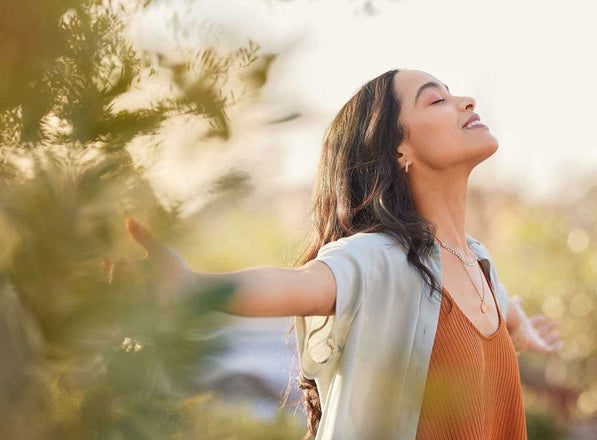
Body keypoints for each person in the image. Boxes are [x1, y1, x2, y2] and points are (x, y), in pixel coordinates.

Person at [121, 68, 562, 440]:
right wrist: (195, 288)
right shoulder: (381, 258)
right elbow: (300, 285)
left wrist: (519, 331)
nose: (466, 101)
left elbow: (499, 311)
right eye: (436, 101)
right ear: (399, 150)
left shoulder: (479, 264)